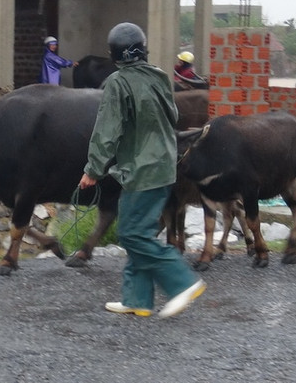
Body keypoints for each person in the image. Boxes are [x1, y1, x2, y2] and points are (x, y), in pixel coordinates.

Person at [78, 22, 205, 319]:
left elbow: (106, 132)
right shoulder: (160, 76)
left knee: (133, 234)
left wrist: (93, 169)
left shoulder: (117, 83)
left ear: (115, 54)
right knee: (139, 230)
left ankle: (182, 283)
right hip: (164, 165)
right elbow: (173, 114)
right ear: (143, 49)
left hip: (140, 169)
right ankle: (138, 299)